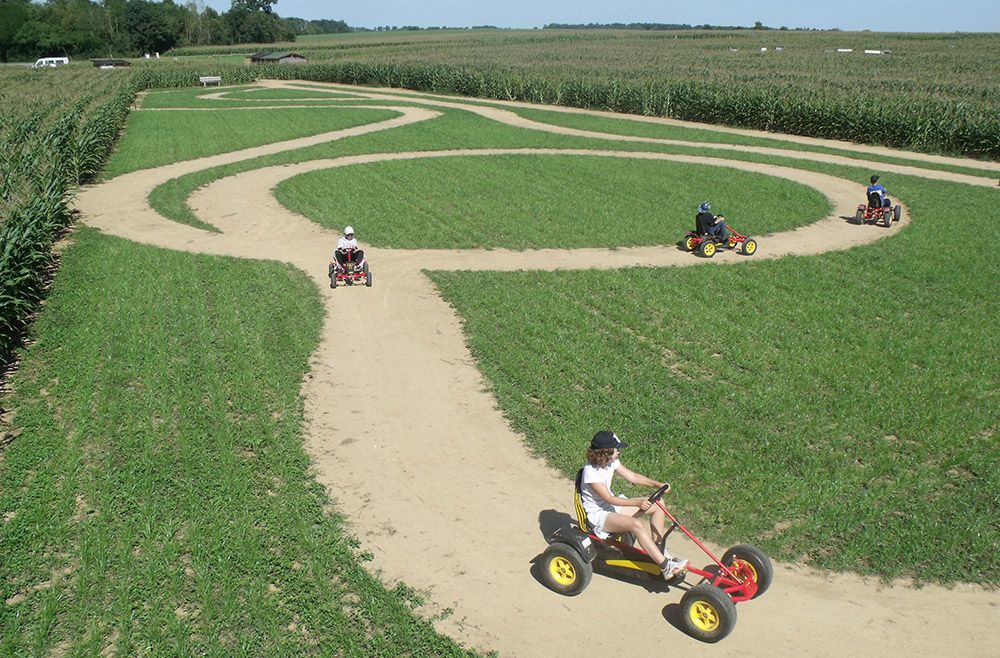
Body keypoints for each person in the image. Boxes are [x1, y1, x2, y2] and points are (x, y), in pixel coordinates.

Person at [579, 430, 690, 578]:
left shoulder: (611, 462)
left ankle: (659, 550)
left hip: (612, 509)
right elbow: (609, 499)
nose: (619, 451)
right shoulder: (590, 472)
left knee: (659, 504)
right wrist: (637, 502)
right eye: (616, 449)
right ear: (605, 453)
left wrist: (657, 484)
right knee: (636, 525)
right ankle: (666, 567)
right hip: (598, 516)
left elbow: (632, 477)